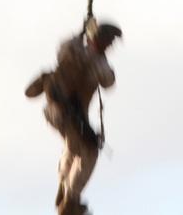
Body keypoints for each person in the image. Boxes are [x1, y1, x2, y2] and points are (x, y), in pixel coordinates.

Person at [25, 20, 122, 215]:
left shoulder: (71, 48)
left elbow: (63, 46)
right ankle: (70, 200)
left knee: (73, 147)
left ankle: (64, 185)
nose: (111, 46)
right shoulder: (97, 62)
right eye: (109, 42)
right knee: (89, 152)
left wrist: (80, 34)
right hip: (71, 115)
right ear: (101, 41)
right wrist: (99, 56)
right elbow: (108, 82)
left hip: (53, 110)